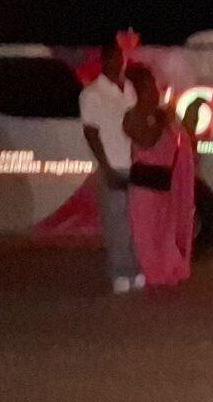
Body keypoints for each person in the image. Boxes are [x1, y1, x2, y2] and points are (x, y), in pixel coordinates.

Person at [120, 65, 195, 287]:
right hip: (145, 186)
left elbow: (183, 142)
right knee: (147, 235)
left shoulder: (163, 115)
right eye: (149, 89)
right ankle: (152, 274)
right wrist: (162, 120)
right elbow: (146, 140)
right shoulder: (132, 117)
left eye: (154, 88)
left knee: (165, 233)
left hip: (165, 184)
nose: (155, 93)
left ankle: (167, 272)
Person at [77, 39, 142, 293]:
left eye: (122, 57)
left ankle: (135, 269)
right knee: (116, 223)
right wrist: (105, 166)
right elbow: (91, 133)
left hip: (133, 164)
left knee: (134, 220)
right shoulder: (92, 94)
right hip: (112, 164)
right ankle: (119, 272)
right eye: (115, 57)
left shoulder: (129, 89)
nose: (120, 62)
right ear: (105, 60)